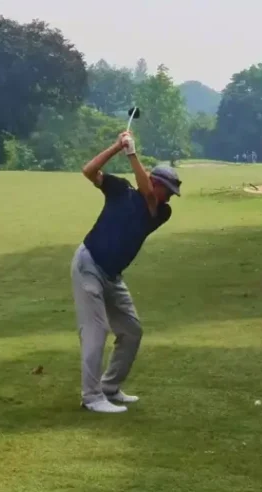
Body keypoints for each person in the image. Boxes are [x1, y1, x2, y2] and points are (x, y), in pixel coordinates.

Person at [71, 131, 182, 414]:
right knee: (96, 330)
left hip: (112, 275)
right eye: (169, 190)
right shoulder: (120, 189)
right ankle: (91, 397)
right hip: (89, 264)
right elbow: (89, 171)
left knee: (132, 331)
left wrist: (132, 153)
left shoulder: (161, 211)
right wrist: (118, 147)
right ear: (156, 182)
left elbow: (148, 195)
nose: (170, 197)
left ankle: (109, 387)